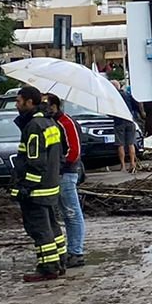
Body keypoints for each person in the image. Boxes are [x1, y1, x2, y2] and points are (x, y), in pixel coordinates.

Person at [12, 87, 66, 283]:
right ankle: (60, 261)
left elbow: (35, 161)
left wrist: (26, 186)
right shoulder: (50, 122)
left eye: (19, 101)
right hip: (50, 185)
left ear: (29, 102)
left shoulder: (34, 126)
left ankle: (48, 268)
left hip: (37, 190)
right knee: (52, 226)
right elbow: (59, 156)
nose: (16, 106)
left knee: (39, 229)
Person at [44, 92, 87, 269]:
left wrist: (60, 166)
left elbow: (74, 151)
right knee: (68, 213)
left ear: (55, 106)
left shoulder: (66, 123)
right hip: (62, 172)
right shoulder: (56, 122)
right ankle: (73, 250)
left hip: (66, 174)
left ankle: (76, 251)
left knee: (71, 213)